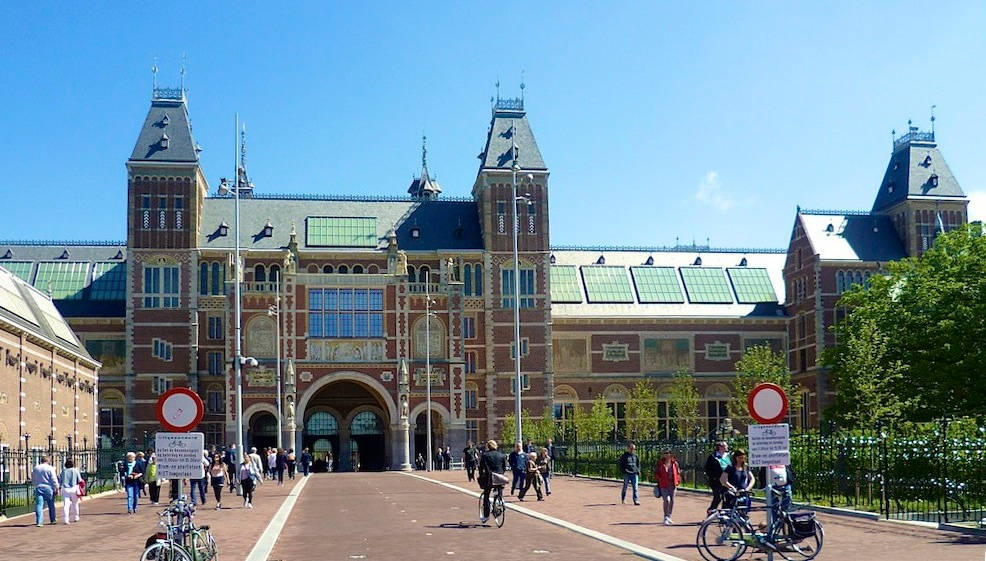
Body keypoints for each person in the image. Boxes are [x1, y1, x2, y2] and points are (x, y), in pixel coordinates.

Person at [477, 440, 507, 523]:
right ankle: (499, 503)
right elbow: (505, 467)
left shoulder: (485, 455)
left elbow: (481, 467)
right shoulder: (502, 455)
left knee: (486, 495)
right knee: (499, 491)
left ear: (488, 446)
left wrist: (481, 476)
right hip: (500, 477)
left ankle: (486, 516)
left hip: (489, 478)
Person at [655, 450, 681, 525]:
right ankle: (665, 517)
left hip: (673, 484)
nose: (666, 455)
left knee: (672, 500)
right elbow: (656, 473)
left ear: (670, 454)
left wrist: (678, 481)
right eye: (665, 453)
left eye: (668, 453)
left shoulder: (674, 463)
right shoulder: (660, 463)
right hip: (663, 485)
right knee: (667, 500)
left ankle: (669, 516)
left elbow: (678, 472)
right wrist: (659, 480)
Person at [32, 456, 60, 526]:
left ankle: (39, 522)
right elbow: (54, 479)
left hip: (39, 487)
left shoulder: (36, 468)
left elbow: (33, 478)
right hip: (48, 487)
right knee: (51, 504)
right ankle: (52, 519)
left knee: (39, 505)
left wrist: (35, 485)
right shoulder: (50, 468)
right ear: (48, 461)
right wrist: (56, 488)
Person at [704, 441, 730, 514]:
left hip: (727, 480)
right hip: (716, 481)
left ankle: (724, 514)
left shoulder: (729, 456)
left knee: (727, 497)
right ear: (720, 447)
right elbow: (708, 469)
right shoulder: (713, 456)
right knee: (718, 497)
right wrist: (714, 477)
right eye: (725, 446)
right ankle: (711, 511)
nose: (727, 447)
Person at [59, 459, 83, 524]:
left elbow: (60, 480)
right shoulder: (75, 470)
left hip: (65, 489)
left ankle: (66, 519)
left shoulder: (63, 471)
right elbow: (80, 480)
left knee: (66, 505)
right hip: (73, 488)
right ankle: (76, 517)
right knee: (75, 503)